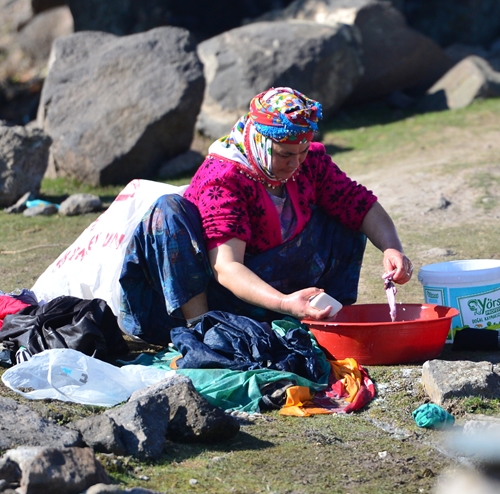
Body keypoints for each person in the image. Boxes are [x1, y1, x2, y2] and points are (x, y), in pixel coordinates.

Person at [118, 87, 413, 345]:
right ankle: (203, 329)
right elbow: (227, 267)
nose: (295, 164)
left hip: (277, 286)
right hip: (221, 293)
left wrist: (391, 248)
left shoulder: (309, 162)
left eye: (302, 152)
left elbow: (359, 204)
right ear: (260, 141)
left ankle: (320, 315)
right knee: (168, 210)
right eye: (284, 154)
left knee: (345, 214)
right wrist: (284, 302)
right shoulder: (224, 177)